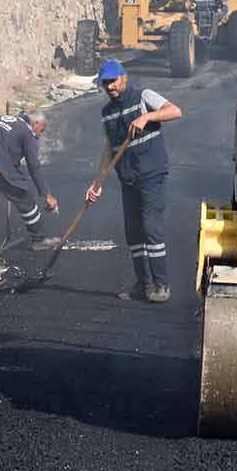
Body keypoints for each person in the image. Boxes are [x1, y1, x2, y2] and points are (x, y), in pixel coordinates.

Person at [86, 59, 182, 303]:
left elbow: (175, 111)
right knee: (133, 233)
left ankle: (162, 285)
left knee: (150, 228)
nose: (109, 86)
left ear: (123, 78)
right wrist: (97, 183)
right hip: (127, 178)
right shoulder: (106, 113)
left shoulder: (143, 96)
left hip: (151, 174)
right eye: (105, 83)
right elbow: (110, 148)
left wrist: (146, 117)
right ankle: (144, 284)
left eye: (113, 81)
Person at [0, 111, 58, 256]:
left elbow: (5, 151)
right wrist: (46, 194)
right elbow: (34, 166)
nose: (40, 135)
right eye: (41, 131)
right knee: (25, 199)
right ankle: (38, 240)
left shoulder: (3, 119)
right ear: (36, 124)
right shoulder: (27, 132)